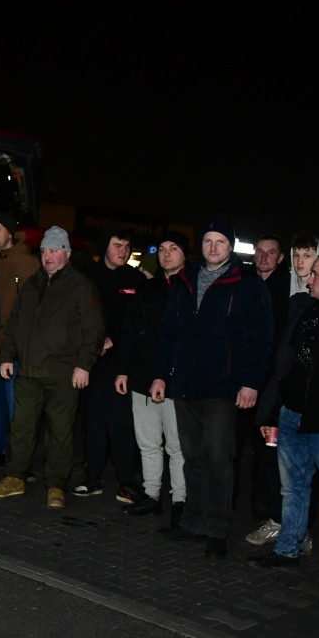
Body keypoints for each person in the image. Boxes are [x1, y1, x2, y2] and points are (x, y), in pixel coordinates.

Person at [149, 219, 273, 559]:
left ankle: (217, 529)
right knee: (193, 457)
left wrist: (251, 382)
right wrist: (160, 375)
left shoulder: (246, 284)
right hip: (186, 384)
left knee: (219, 457)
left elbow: (260, 339)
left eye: (220, 241)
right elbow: (167, 332)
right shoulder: (185, 280)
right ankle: (193, 522)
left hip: (224, 386)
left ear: (230, 247)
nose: (213, 247)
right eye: (207, 240)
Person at [248, 252, 319, 594]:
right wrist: (270, 412)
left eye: (316, 274)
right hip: (291, 414)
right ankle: (287, 548)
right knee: (292, 488)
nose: (309, 279)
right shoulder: (305, 311)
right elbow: (283, 365)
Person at [0, 226, 104, 509]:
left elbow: (94, 330)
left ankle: (56, 485)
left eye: (53, 251)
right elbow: (15, 322)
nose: (48, 256)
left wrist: (84, 365)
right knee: (22, 429)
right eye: (44, 251)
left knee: (60, 433)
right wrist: (6, 355)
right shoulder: (32, 283)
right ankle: (14, 477)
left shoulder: (80, 286)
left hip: (63, 374)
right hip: (27, 372)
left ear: (66, 253)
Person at [113, 232, 189, 524]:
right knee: (147, 442)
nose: (167, 254)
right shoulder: (149, 288)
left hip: (177, 379)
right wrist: (123, 369)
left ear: (184, 254)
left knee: (177, 445)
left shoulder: (193, 288)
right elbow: (130, 331)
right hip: (142, 376)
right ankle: (152, 495)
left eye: (174, 249)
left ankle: (180, 499)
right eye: (163, 249)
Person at [75, 227, 146, 503]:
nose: (123, 251)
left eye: (127, 247)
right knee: (92, 422)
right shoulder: (88, 277)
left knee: (121, 425)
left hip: (121, 365)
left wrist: (115, 343)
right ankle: (92, 477)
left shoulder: (136, 280)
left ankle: (126, 481)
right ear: (105, 246)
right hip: (92, 362)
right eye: (118, 245)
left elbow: (139, 324)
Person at [0, 212, 40, 469]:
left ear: (10, 233)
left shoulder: (27, 264)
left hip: (14, 349)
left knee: (17, 404)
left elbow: (34, 309)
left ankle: (19, 454)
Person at [242, 233, 292, 542]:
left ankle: (269, 512)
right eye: (260, 252)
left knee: (268, 451)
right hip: (244, 380)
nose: (263, 257)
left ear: (280, 258)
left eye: (271, 252)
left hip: (272, 384)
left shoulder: (288, 291)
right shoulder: (246, 283)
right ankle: (250, 507)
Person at [289, 231, 319, 296]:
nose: (299, 261)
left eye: (306, 256)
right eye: (296, 255)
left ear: (318, 258)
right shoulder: (282, 288)